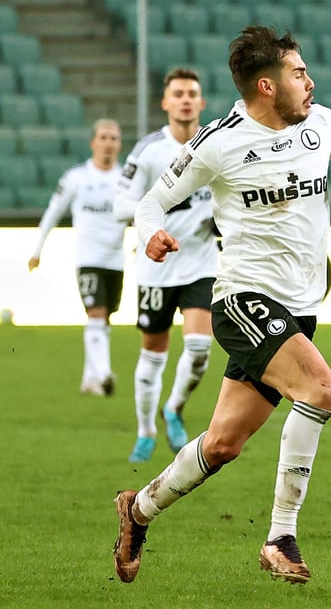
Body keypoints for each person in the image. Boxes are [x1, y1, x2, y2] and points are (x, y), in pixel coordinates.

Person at [112, 26, 331, 585]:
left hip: (299, 309)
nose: (310, 81)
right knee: (319, 389)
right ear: (266, 85)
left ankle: (137, 510)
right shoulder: (219, 142)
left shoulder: (319, 122)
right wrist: (152, 233)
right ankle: (280, 536)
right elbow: (151, 201)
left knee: (223, 444)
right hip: (243, 301)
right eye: (298, 73)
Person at [114, 68, 218, 463]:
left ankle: (173, 407)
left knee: (199, 348)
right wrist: (153, 222)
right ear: (165, 102)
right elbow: (120, 205)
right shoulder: (148, 151)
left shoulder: (216, 144)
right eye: (178, 94)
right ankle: (145, 432)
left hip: (201, 262)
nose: (185, 100)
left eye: (192, 93)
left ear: (201, 102)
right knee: (153, 354)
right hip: (156, 265)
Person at [28, 118, 126, 396]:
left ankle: (89, 379)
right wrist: (37, 250)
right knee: (96, 313)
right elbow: (54, 211)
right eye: (103, 137)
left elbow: (139, 212)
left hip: (115, 259)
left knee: (104, 319)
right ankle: (104, 375)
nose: (108, 143)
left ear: (119, 144)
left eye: (114, 138)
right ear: (93, 142)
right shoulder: (76, 177)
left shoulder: (125, 179)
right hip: (88, 258)